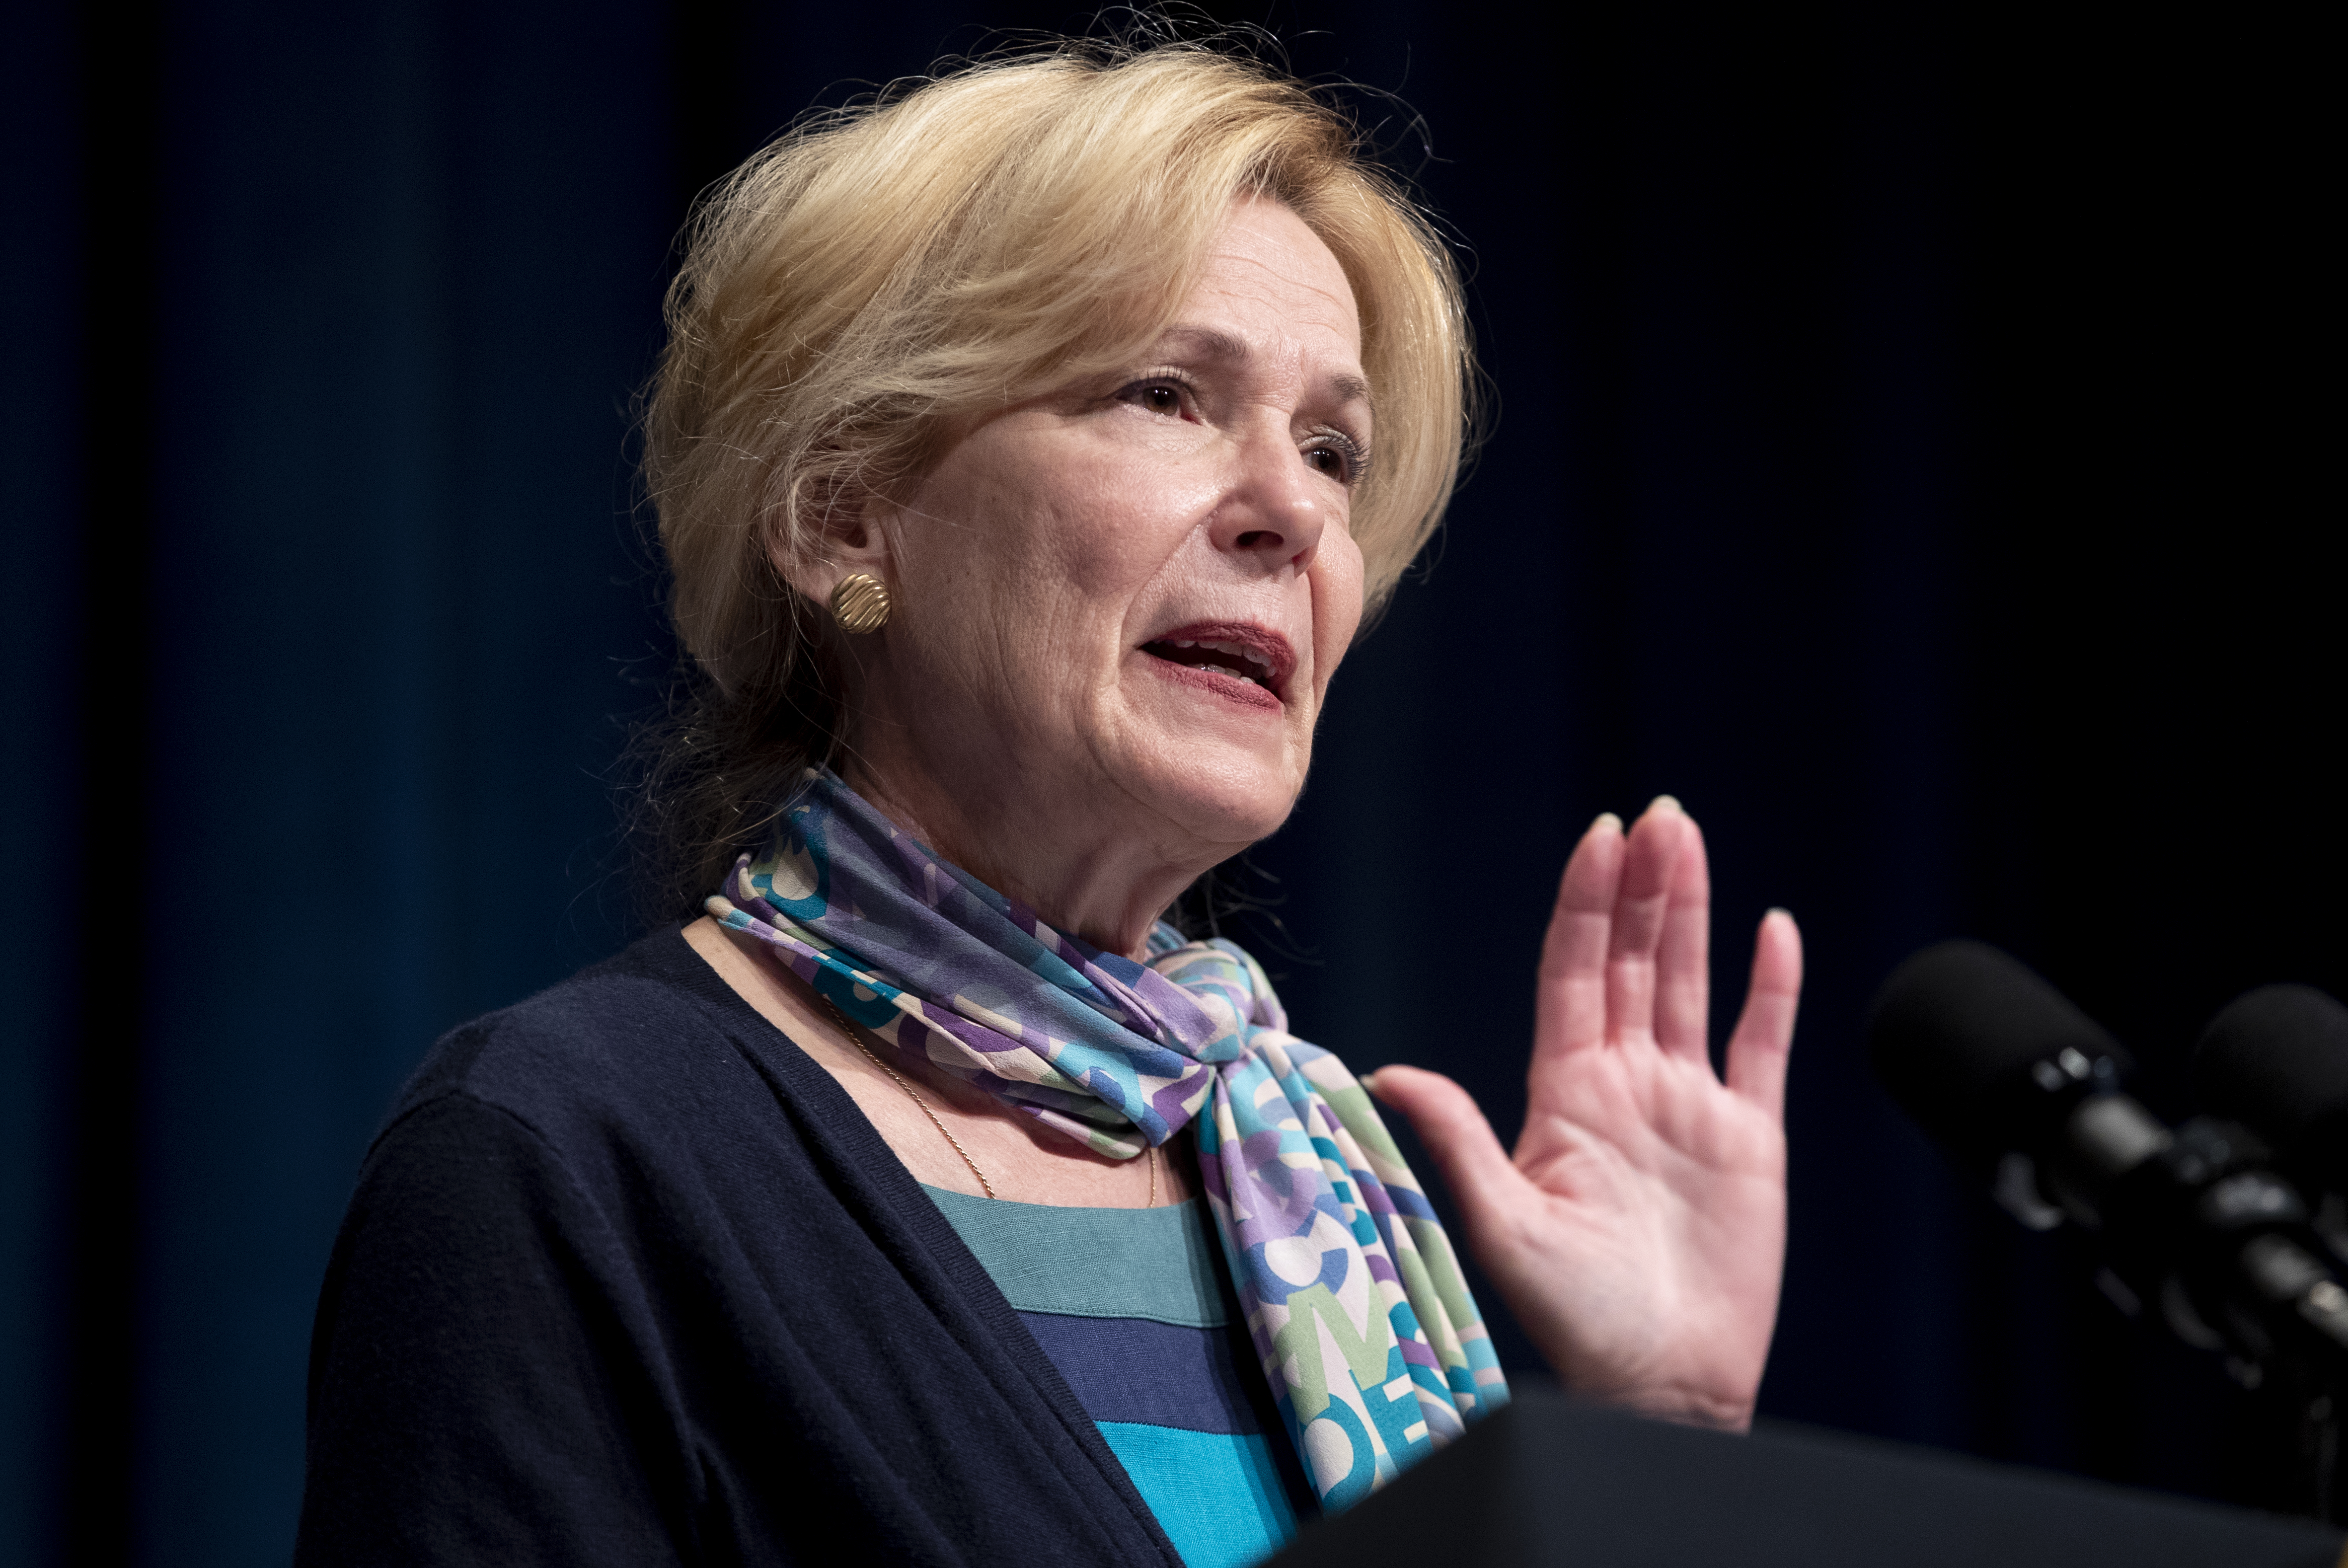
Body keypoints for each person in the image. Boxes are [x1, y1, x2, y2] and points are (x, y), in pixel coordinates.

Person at [294, 38, 1802, 1568]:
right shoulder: (566, 1153)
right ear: (841, 515)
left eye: (1332, 449)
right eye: (1164, 393)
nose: (1290, 510)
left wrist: (1664, 1430)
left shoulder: (1319, 1198)